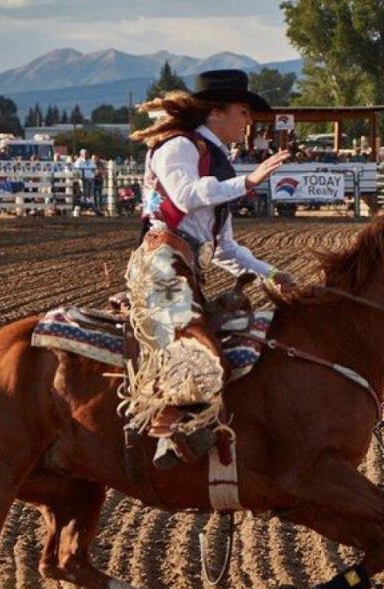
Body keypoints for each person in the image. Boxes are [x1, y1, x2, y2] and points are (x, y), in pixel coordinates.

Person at [125, 69, 294, 469]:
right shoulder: (178, 147)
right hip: (160, 260)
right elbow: (186, 195)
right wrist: (248, 182)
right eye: (242, 111)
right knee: (195, 343)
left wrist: (271, 274)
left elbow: (225, 247)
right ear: (216, 112)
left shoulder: (213, 161)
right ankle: (168, 429)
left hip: (183, 265)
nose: (248, 120)